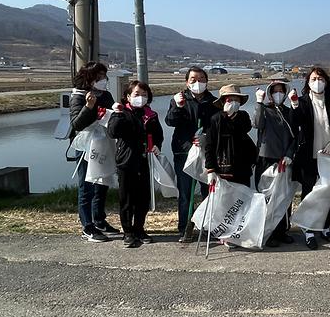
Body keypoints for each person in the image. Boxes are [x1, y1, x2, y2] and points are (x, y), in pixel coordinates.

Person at [292, 67, 330, 249]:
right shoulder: (303, 101)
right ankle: (308, 229)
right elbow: (296, 122)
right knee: (309, 192)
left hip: (329, 154)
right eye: (314, 78)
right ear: (307, 82)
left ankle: (324, 227)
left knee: (327, 191)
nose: (317, 81)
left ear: (327, 81)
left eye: (320, 78)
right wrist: (294, 106)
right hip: (309, 155)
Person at [107, 80, 164, 248]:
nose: (141, 97)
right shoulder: (122, 113)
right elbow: (113, 132)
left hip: (145, 160)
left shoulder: (151, 115)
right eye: (137, 94)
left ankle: (139, 229)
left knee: (143, 198)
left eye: (144, 95)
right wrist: (117, 114)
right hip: (126, 160)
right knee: (127, 199)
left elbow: (158, 135)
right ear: (128, 96)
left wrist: (156, 146)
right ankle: (128, 232)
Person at [165, 66, 217, 242]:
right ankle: (185, 228)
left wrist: (206, 138)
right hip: (184, 151)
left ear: (207, 82)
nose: (197, 82)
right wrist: (178, 106)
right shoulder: (180, 99)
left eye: (201, 79)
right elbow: (170, 121)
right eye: (193, 79)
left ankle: (208, 226)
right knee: (186, 192)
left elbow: (217, 127)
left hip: (207, 152)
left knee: (207, 190)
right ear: (187, 82)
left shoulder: (213, 101)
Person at [68, 61, 118, 242]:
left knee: (102, 182)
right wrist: (89, 107)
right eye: (99, 78)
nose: (103, 81)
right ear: (89, 79)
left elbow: (112, 115)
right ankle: (87, 226)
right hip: (85, 147)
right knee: (86, 186)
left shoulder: (106, 95)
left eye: (104, 77)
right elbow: (76, 124)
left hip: (104, 143)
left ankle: (99, 220)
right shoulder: (79, 96)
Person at [254, 78, 300, 247]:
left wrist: (289, 154)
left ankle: (282, 231)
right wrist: (259, 102)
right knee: (267, 198)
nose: (278, 94)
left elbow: (297, 135)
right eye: (275, 91)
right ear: (270, 94)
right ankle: (267, 232)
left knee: (284, 197)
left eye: (281, 91)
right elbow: (257, 124)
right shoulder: (264, 110)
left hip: (285, 160)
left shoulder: (289, 112)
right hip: (266, 159)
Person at [204, 84, 257, 187]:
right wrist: (210, 169)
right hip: (223, 166)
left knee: (243, 198)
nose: (234, 102)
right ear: (223, 101)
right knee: (225, 199)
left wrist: (232, 116)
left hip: (243, 167)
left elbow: (245, 128)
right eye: (230, 99)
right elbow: (210, 145)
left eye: (236, 100)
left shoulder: (243, 115)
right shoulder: (216, 119)